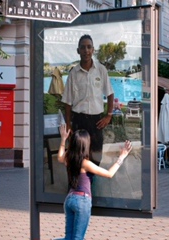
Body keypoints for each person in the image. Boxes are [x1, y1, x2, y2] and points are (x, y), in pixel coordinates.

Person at [56, 124, 132, 240]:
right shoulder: (85, 163)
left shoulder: (68, 157)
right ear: (85, 145)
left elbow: (59, 157)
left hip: (69, 199)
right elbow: (109, 174)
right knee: (77, 238)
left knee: (69, 238)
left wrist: (63, 139)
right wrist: (122, 157)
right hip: (82, 200)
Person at [61, 34, 114, 165]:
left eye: (89, 47)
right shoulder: (73, 73)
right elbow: (67, 101)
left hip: (96, 121)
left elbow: (110, 93)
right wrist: (68, 124)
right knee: (78, 155)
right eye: (83, 47)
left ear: (93, 50)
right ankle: (77, 183)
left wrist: (109, 115)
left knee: (96, 155)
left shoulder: (101, 70)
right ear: (78, 51)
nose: (86, 50)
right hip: (79, 120)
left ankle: (90, 182)